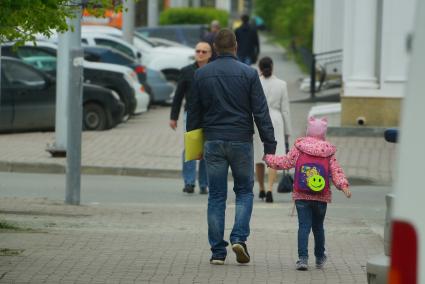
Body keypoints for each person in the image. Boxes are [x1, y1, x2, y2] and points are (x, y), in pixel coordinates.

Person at [187, 29, 276, 265]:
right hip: (240, 141)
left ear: (214, 49)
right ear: (235, 47)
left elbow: (194, 113)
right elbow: (261, 111)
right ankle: (238, 238)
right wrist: (270, 145)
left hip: (213, 140)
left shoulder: (202, 74)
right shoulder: (248, 74)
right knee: (245, 192)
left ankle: (217, 251)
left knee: (216, 196)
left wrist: (193, 146)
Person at [264, 116, 352, 271]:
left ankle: (303, 259)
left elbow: (285, 162)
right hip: (321, 196)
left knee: (303, 227)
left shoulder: (300, 147)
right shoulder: (327, 151)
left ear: (308, 130)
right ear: (323, 133)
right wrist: (343, 186)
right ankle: (319, 258)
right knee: (318, 227)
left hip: (301, 195)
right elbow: (336, 171)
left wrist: (269, 158)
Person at [169, 41, 212, 194]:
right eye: (198, 51)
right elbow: (178, 96)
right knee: (191, 148)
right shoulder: (187, 71)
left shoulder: (214, 70)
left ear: (210, 54)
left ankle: (204, 184)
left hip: (210, 116)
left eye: (204, 52)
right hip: (191, 114)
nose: (200, 54)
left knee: (207, 149)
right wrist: (173, 117)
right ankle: (189, 182)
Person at [254, 57, 292, 203]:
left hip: (258, 120)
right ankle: (270, 188)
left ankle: (261, 188)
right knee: (273, 156)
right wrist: (287, 131)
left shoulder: (256, 82)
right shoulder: (281, 84)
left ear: (259, 68)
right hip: (276, 119)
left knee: (259, 156)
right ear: (272, 66)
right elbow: (286, 110)